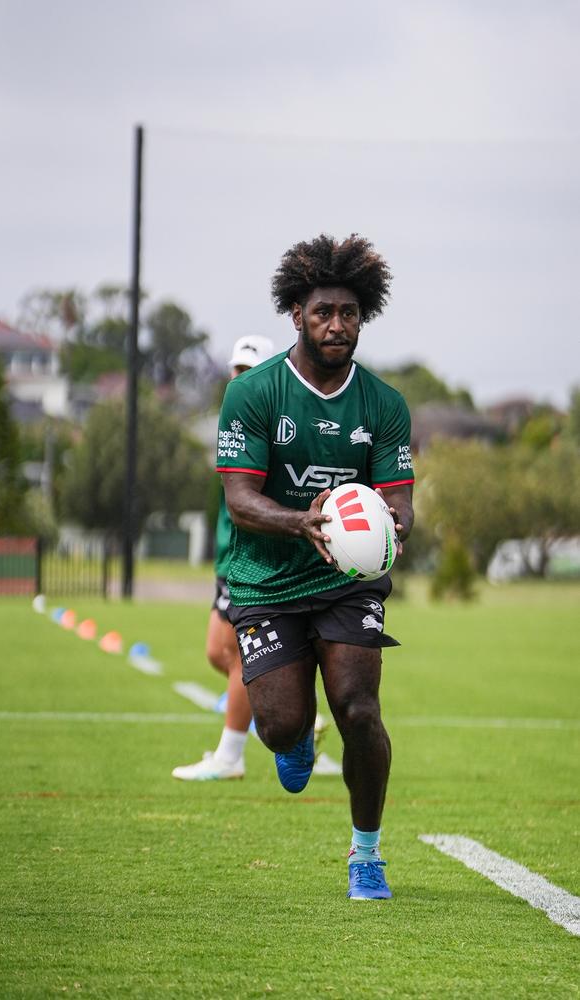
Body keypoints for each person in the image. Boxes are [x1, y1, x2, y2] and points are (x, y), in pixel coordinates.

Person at [216, 234, 414, 900]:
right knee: (278, 726)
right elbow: (240, 501)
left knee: (359, 710)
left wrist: (390, 531)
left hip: (346, 582)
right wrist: (304, 521)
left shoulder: (384, 405)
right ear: (296, 313)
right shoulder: (254, 395)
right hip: (266, 580)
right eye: (324, 311)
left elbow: (399, 504)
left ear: (364, 318)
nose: (338, 324)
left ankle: (367, 855)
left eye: (350, 313)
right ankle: (294, 737)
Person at [172, 336, 275, 781]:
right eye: (236, 370)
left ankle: (230, 756)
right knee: (218, 652)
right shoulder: (235, 423)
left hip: (249, 560)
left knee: (237, 654)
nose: (240, 378)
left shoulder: (271, 425)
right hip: (226, 556)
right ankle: (294, 713)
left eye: (250, 371)